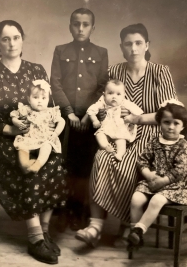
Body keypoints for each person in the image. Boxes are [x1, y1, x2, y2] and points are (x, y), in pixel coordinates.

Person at [75, 23, 177, 248]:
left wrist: (137, 118)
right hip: (117, 133)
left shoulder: (160, 72)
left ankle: (126, 225)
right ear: (122, 47)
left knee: (130, 163)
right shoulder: (114, 72)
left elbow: (170, 113)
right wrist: (101, 113)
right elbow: (100, 103)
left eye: (138, 43)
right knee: (102, 157)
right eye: (128, 44)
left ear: (147, 45)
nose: (133, 48)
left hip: (151, 136)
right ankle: (95, 226)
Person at [0, 20, 68, 264]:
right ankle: (34, 239)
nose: (11, 43)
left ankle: (44, 231)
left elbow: (49, 107)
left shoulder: (36, 70)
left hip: (38, 135)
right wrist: (9, 128)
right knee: (28, 168)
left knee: (54, 161)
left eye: (15, 37)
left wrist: (49, 132)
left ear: (22, 39)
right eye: (5, 39)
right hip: (5, 140)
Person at [50, 8, 108, 231]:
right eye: (76, 24)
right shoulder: (60, 50)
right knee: (64, 164)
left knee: (85, 167)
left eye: (85, 24)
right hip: (66, 120)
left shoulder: (101, 52)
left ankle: (78, 210)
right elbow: (55, 83)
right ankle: (62, 209)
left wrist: (87, 115)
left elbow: (102, 86)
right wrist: (69, 111)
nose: (80, 28)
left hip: (90, 120)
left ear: (93, 28)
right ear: (70, 26)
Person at [127, 100, 187, 249]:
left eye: (176, 123)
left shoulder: (183, 145)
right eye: (166, 122)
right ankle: (135, 237)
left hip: (174, 187)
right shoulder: (155, 141)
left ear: (183, 126)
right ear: (160, 123)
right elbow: (142, 161)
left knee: (156, 200)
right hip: (152, 181)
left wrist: (162, 181)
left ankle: (139, 230)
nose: (171, 127)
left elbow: (180, 170)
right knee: (136, 199)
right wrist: (148, 175)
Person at [11, 79, 65, 174]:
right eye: (35, 97)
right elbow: (14, 114)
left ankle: (38, 164)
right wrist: (16, 121)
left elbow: (62, 121)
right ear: (29, 99)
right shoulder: (26, 109)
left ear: (48, 100)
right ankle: (25, 165)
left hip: (45, 139)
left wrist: (55, 134)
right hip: (29, 139)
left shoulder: (51, 111)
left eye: (43, 98)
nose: (40, 101)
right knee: (22, 146)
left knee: (47, 146)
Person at [87, 79, 143, 161]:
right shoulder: (103, 102)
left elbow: (138, 112)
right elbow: (91, 110)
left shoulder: (125, 103)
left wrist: (130, 116)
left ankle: (119, 154)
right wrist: (94, 120)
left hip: (119, 129)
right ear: (104, 94)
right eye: (110, 93)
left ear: (124, 95)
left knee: (121, 142)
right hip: (105, 128)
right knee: (99, 135)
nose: (114, 96)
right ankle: (106, 146)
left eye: (118, 94)